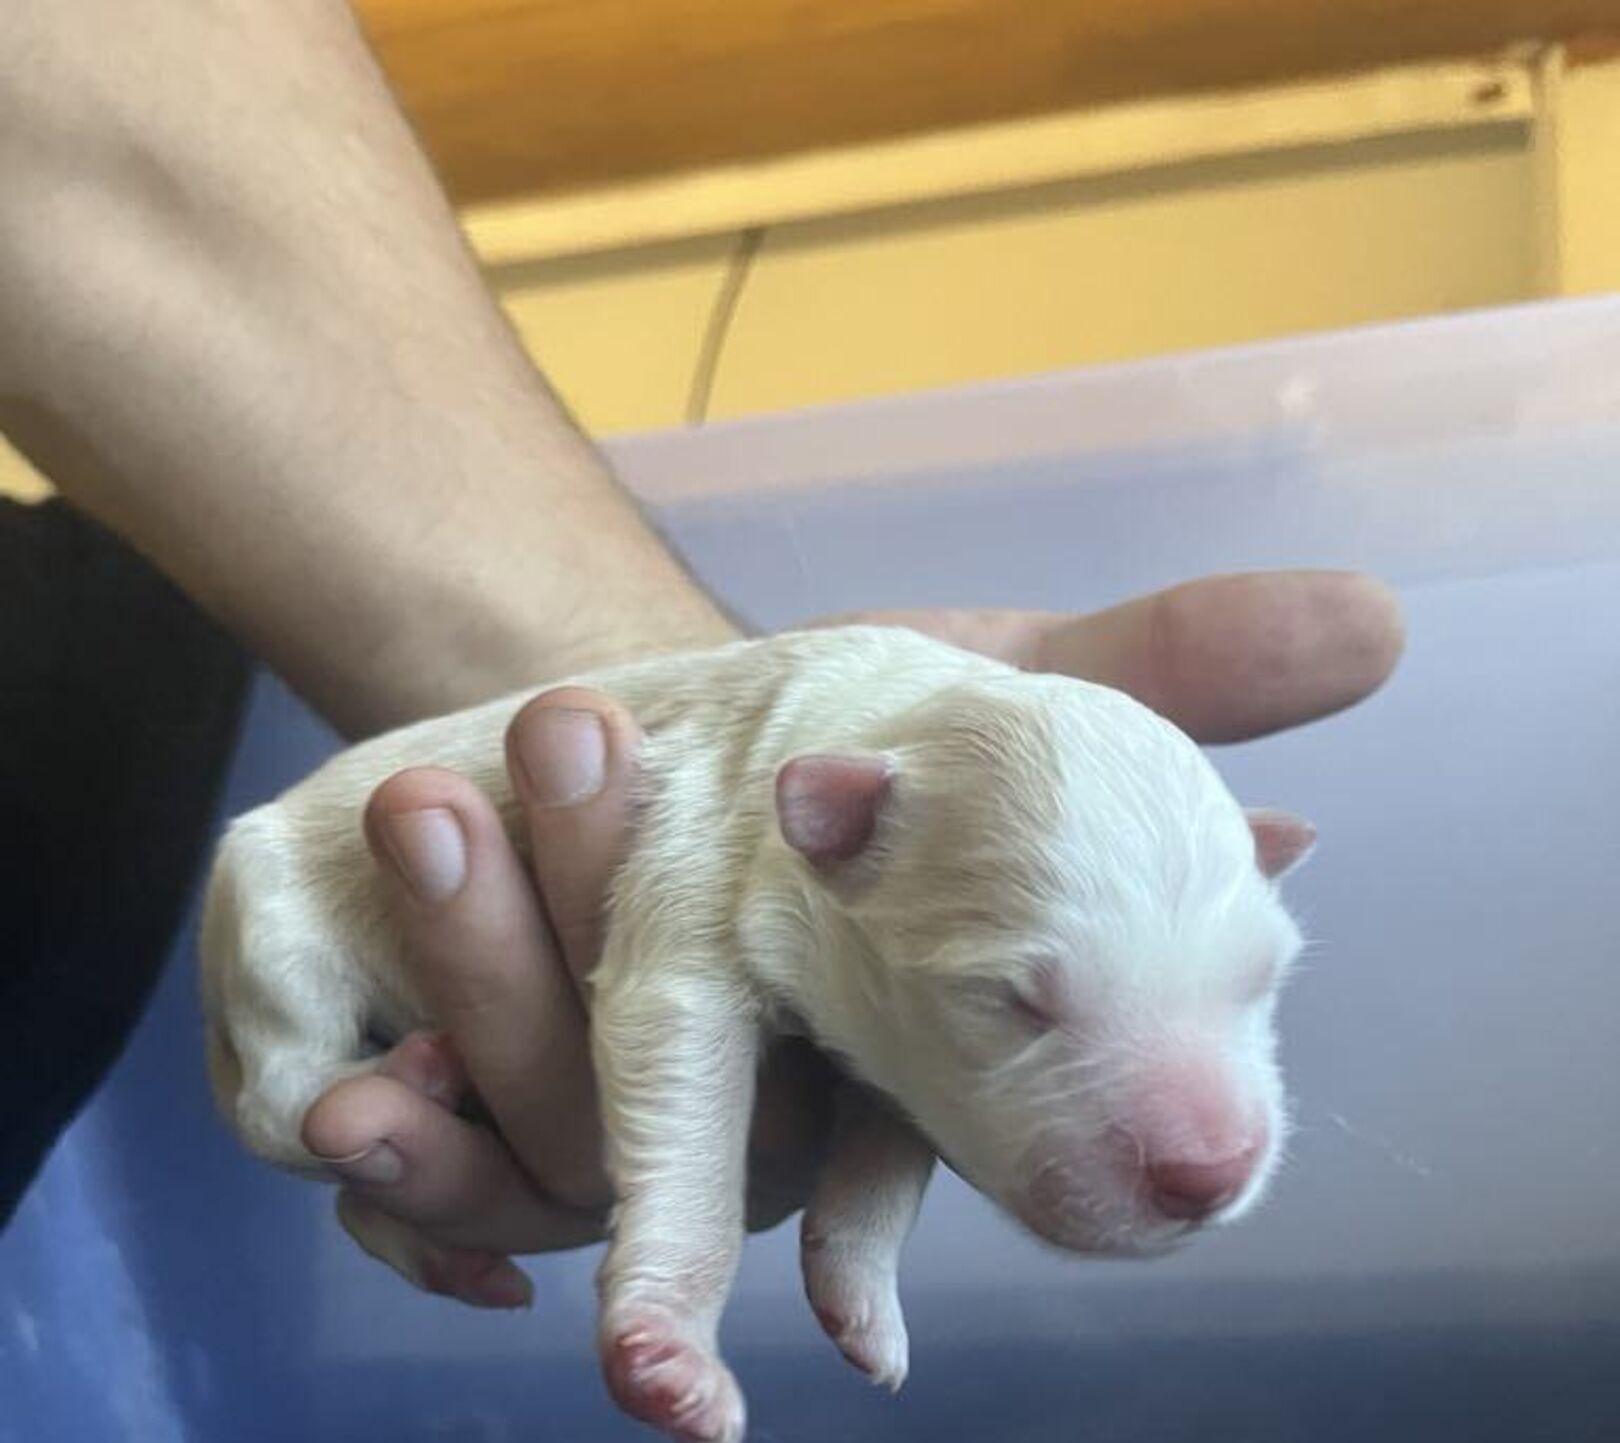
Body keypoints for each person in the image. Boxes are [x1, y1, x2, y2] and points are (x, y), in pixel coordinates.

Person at [0, 0, 1404, 1301]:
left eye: (1253, 979)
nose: (1213, 1143)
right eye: (1023, 999)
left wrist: (623, 710)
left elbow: (111, 163)